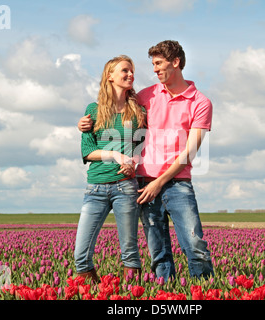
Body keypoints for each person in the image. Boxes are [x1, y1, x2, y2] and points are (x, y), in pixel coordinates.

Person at [78, 41, 214, 281]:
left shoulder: (200, 103)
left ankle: (205, 292)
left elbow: (189, 153)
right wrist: (85, 124)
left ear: (176, 62)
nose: (154, 69)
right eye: (153, 64)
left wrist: (159, 182)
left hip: (176, 183)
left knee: (194, 244)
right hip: (142, 183)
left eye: (159, 63)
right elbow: (114, 112)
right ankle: (165, 293)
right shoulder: (145, 97)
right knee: (158, 251)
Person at [74, 55, 146, 283]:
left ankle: (129, 296)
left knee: (130, 253)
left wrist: (132, 165)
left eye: (132, 71)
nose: (130, 75)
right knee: (81, 256)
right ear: (110, 76)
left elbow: (140, 148)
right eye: (125, 70)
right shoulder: (93, 111)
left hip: (125, 187)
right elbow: (87, 151)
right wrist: (115, 155)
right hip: (95, 187)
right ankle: (96, 292)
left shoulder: (137, 111)